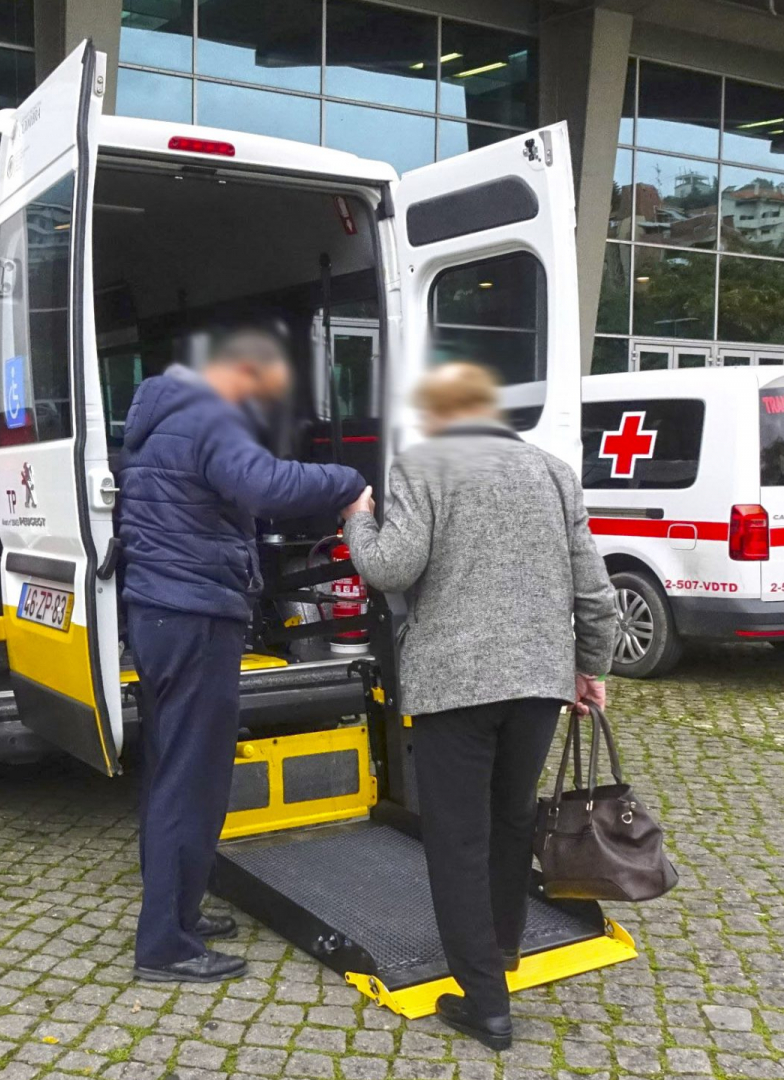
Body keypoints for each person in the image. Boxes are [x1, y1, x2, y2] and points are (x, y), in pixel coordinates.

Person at [342, 362, 617, 1050]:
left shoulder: (422, 465)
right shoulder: (553, 471)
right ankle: (502, 950)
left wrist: (358, 522)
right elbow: (595, 592)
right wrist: (591, 668)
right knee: (510, 818)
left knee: (458, 837)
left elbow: (390, 568)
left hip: (455, 685)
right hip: (538, 684)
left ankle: (486, 1004)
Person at [119, 325, 368, 983]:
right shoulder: (209, 419)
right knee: (192, 779)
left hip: (159, 611)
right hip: (196, 616)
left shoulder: (160, 417)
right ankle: (164, 946)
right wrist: (348, 482)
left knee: (172, 767)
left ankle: (177, 913)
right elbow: (266, 485)